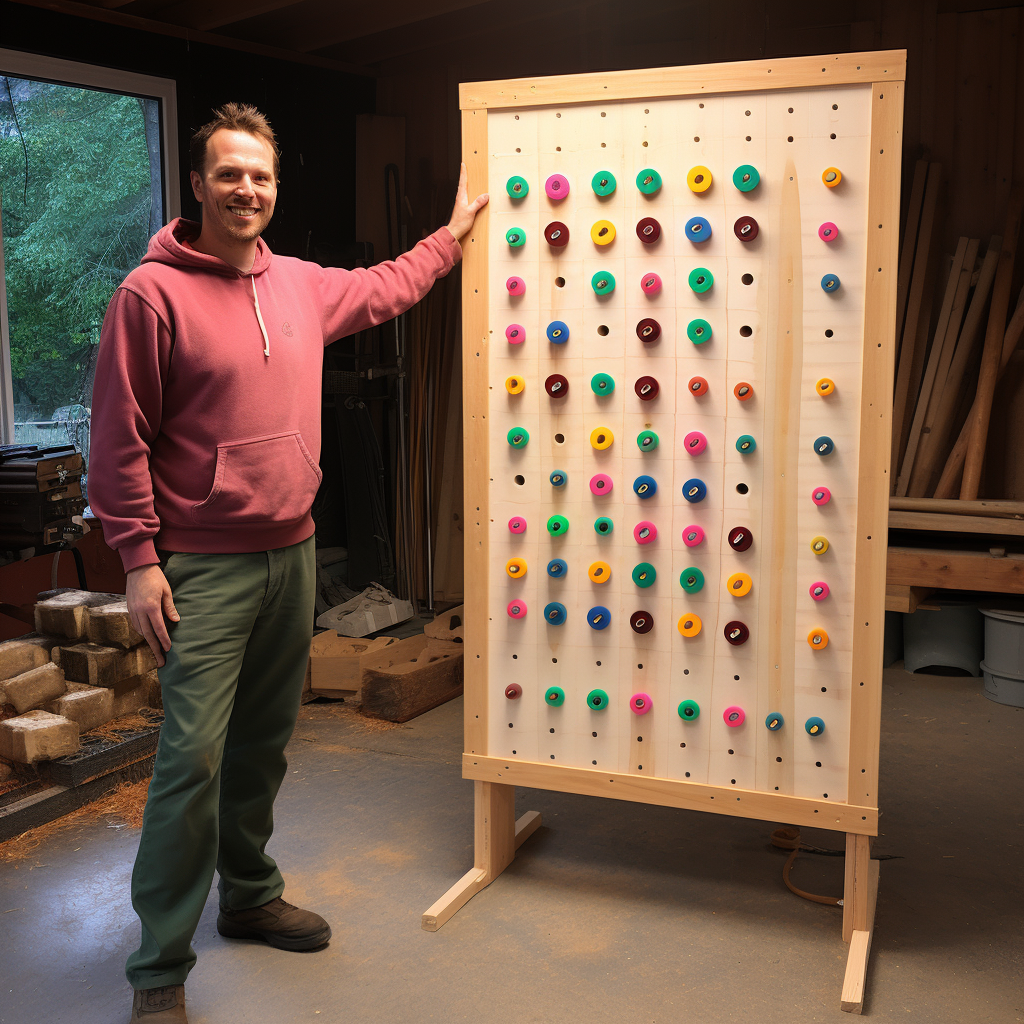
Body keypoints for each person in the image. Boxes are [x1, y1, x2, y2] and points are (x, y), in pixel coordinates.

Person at [88, 102, 487, 1023]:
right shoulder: (150, 295)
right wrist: (138, 559)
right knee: (190, 760)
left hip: (294, 554)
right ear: (197, 184)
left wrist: (453, 234)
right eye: (228, 173)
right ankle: (158, 969)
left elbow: (389, 285)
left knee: (265, 745)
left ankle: (249, 892)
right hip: (202, 569)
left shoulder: (301, 284)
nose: (246, 189)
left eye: (260, 176)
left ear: (275, 187)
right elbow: (118, 438)